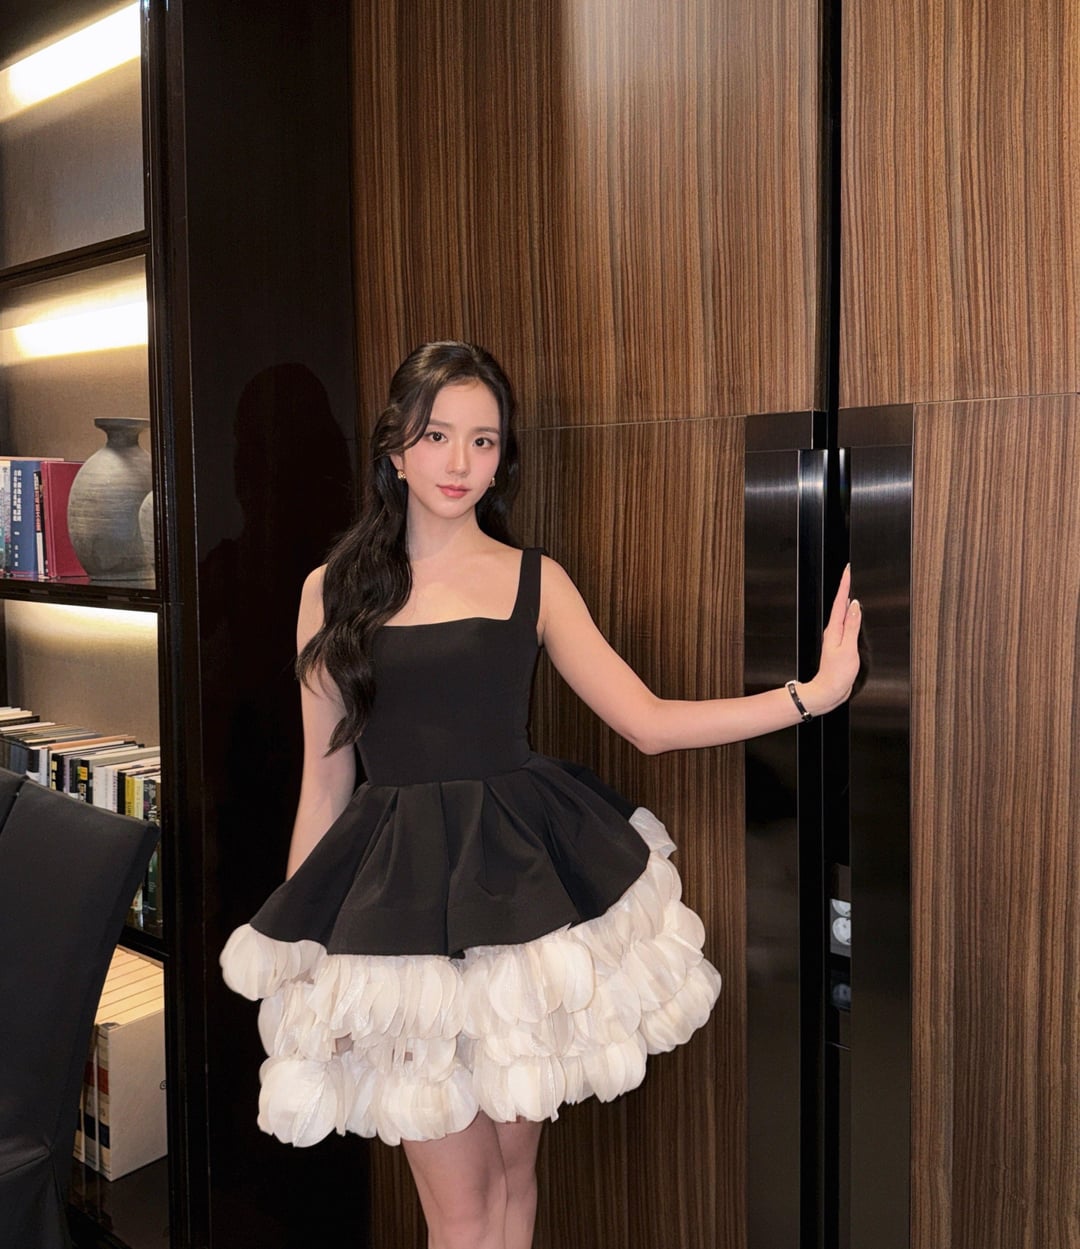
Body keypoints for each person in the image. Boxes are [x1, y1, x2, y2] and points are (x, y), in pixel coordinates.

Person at [221, 340, 861, 1249]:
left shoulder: (534, 578)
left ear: (501, 458)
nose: (459, 461)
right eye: (437, 435)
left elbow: (646, 720)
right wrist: (302, 951)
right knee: (461, 1210)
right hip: (395, 918)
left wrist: (810, 696)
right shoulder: (330, 592)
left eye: (482, 440)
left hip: (520, 899)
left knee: (513, 1185)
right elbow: (323, 783)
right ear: (394, 448)